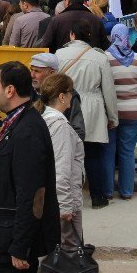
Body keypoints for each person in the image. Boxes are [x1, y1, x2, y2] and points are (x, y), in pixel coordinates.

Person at [0, 62, 59, 273]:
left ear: (10, 90)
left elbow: (32, 194)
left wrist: (20, 246)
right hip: (10, 231)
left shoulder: (27, 130)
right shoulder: (19, 122)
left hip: (12, 235)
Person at [37, 74, 92, 273]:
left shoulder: (47, 119)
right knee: (59, 250)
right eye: (70, 93)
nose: (72, 97)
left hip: (58, 198)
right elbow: (62, 167)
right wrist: (66, 205)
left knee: (64, 250)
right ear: (62, 96)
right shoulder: (59, 124)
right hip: (63, 200)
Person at [56, 21, 117, 208]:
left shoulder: (59, 55)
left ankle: (67, 198)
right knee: (93, 156)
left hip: (66, 105)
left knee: (67, 155)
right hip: (93, 107)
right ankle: (97, 196)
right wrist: (113, 116)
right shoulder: (99, 57)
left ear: (71, 35)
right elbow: (108, 89)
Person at [104, 23, 137, 199]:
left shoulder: (106, 58)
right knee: (127, 152)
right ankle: (127, 191)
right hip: (134, 110)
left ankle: (108, 190)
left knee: (110, 151)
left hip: (113, 111)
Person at [40, 0, 109, 53]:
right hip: (91, 61)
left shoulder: (56, 20)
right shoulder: (96, 20)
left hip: (63, 62)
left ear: (67, 1)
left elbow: (45, 46)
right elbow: (104, 46)